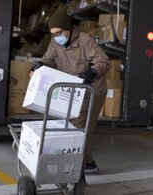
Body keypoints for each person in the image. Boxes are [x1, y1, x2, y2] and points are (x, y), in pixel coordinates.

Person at [31, 10, 110, 177]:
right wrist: (38, 66)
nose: (56, 37)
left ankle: (76, 174)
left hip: (92, 90)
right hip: (72, 90)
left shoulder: (85, 41)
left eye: (59, 33)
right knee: (72, 127)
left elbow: (103, 61)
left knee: (79, 129)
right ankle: (89, 163)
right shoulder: (55, 43)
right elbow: (48, 60)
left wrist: (92, 72)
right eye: (53, 34)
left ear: (68, 29)